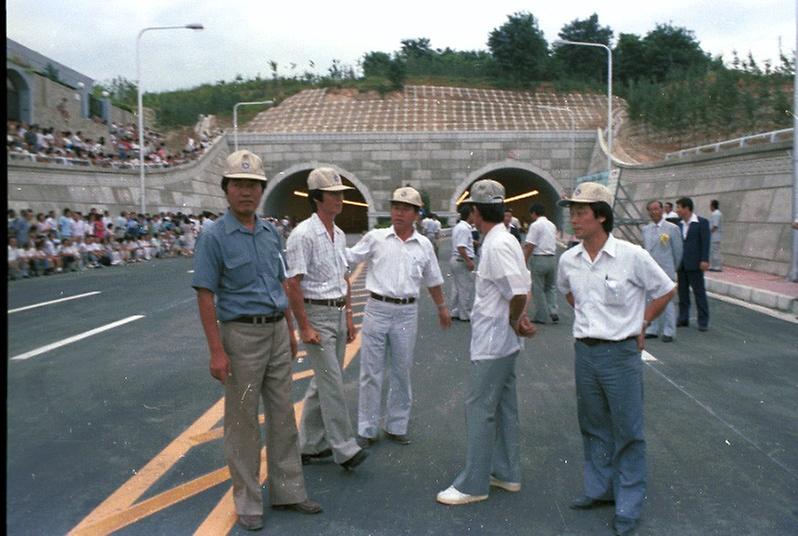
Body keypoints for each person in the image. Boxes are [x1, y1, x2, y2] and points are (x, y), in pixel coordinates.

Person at [192, 150, 321, 532]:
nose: (246, 192)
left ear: (262, 190)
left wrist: (291, 329)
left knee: (284, 414)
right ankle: (247, 500)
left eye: (253, 185)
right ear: (227, 190)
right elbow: (205, 295)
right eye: (238, 185)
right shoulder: (213, 237)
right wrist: (216, 351)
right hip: (240, 335)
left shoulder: (269, 233)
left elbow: (281, 283)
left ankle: (289, 492)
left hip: (276, 332)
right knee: (243, 420)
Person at [556, 182, 676, 536]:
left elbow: (666, 289)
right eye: (572, 212)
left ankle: (628, 504)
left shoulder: (631, 256)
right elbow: (569, 293)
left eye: (581, 213)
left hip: (620, 354)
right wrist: (592, 320)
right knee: (593, 425)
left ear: (601, 216)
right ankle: (600, 490)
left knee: (628, 430)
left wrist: (642, 322)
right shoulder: (569, 259)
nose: (574, 219)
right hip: (585, 352)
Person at [437, 179, 535, 506]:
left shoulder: (495, 244)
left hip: (493, 342)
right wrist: (518, 320)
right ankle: (506, 473)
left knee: (478, 408)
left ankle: (474, 483)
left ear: (476, 212)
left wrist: (512, 319)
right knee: (504, 408)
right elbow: (521, 287)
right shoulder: (503, 240)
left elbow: (518, 291)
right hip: (502, 342)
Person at [346, 186, 451, 448]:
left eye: (405, 209)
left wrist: (442, 307)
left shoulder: (424, 245)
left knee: (401, 371)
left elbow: (434, 280)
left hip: (406, 312)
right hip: (376, 309)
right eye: (395, 208)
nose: (398, 213)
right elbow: (348, 258)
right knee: (371, 371)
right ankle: (367, 428)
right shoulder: (376, 238)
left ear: (417, 214)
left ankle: (396, 425)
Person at [284, 167, 369, 471]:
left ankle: (308, 445)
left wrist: (348, 315)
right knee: (332, 381)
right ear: (317, 198)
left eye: (341, 194)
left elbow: (343, 277)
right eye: (333, 195)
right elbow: (292, 283)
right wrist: (303, 326)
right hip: (316, 314)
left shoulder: (340, 234)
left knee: (323, 383)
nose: (339, 199)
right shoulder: (302, 235)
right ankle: (344, 448)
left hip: (335, 311)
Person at [642, 201, 683, 342]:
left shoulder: (672, 228)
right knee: (650, 299)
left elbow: (678, 252)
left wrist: (673, 267)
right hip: (650, 270)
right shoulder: (646, 229)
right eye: (651, 209)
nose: (654, 212)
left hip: (666, 269)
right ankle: (652, 328)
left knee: (668, 300)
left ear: (662, 210)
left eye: (656, 209)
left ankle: (669, 331)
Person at [675, 197, 711, 331]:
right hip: (682, 264)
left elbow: (706, 243)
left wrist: (705, 259)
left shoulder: (701, 223)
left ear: (687, 208)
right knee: (682, 293)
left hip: (695, 264)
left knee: (699, 293)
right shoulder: (678, 225)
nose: (677, 210)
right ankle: (683, 318)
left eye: (679, 207)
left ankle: (703, 321)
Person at [523, 203, 559, 325]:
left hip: (539, 259)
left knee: (538, 289)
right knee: (550, 287)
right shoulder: (552, 225)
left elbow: (530, 245)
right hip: (552, 258)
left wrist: (524, 261)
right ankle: (553, 310)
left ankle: (541, 316)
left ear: (534, 213)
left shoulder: (535, 225)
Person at [449, 204, 476, 322]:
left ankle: (454, 310)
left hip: (456, 259)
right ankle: (465, 314)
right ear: (470, 214)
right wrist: (468, 261)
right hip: (462, 260)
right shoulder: (465, 229)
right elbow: (461, 247)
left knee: (457, 287)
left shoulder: (459, 227)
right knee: (465, 288)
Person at [709, 199, 723, 272]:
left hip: (715, 236)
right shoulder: (715, 213)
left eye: (710, 205)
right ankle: (713, 266)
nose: (709, 207)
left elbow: (715, 226)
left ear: (713, 206)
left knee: (715, 251)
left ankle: (717, 267)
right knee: (713, 251)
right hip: (714, 236)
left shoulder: (716, 214)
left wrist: (709, 232)